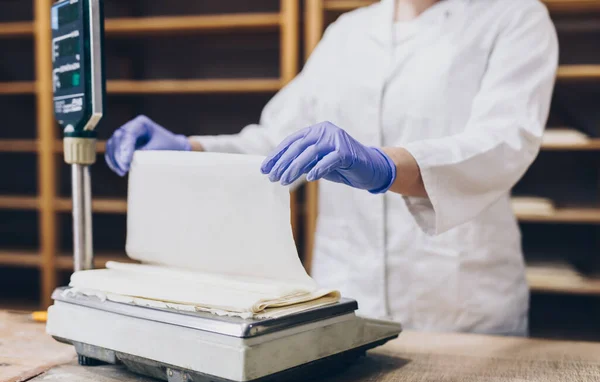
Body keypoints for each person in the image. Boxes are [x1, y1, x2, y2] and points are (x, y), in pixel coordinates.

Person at [105, 0, 558, 336]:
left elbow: (502, 143)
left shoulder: (514, 16)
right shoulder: (348, 32)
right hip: (347, 290)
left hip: (460, 303)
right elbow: (278, 142)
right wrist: (189, 149)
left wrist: (386, 166)